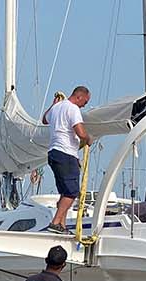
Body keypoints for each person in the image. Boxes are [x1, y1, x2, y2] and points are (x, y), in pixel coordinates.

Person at [40, 86, 93, 234]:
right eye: (85, 101)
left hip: (54, 153)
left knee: (64, 192)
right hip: (66, 153)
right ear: (79, 97)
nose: (85, 105)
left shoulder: (56, 107)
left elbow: (44, 119)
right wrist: (88, 138)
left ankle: (61, 226)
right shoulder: (73, 108)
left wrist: (53, 104)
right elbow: (81, 132)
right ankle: (55, 222)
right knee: (71, 192)